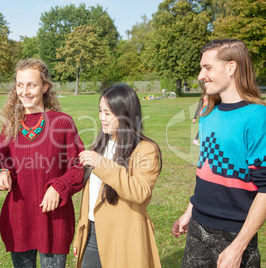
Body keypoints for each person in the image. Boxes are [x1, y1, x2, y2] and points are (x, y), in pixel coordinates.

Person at [172, 39, 266, 267]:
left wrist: (238, 247)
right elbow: (206, 172)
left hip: (234, 235)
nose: (200, 75)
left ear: (231, 68)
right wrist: (190, 211)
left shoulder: (257, 117)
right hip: (197, 230)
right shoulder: (208, 115)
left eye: (208, 67)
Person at [0, 58, 85, 268]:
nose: (24, 91)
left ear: (45, 87)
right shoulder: (10, 125)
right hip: (20, 218)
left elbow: (80, 165)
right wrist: (1, 172)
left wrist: (59, 187)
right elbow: (1, 157)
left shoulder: (62, 122)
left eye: (31, 85)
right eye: (19, 85)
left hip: (53, 219)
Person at [73, 84, 163, 268]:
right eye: (100, 111)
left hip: (123, 238)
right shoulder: (100, 144)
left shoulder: (145, 150)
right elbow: (91, 198)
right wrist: (81, 234)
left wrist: (103, 165)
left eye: (108, 113)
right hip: (92, 235)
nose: (101, 118)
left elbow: (141, 192)